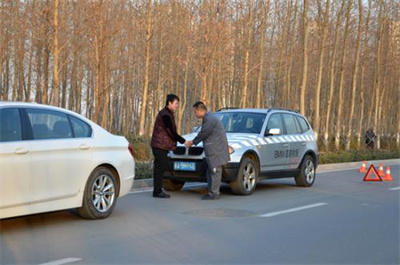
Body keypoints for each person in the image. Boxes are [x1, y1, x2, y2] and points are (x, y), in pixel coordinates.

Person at [185, 102, 230, 200]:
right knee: (210, 171)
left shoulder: (209, 119)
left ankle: (214, 194)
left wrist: (192, 142)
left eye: (195, 112)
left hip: (216, 150)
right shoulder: (208, 117)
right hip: (213, 149)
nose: (195, 114)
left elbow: (203, 133)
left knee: (215, 171)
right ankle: (211, 192)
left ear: (200, 110)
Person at [150, 94, 187, 198]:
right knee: (160, 168)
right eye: (176, 103)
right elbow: (170, 131)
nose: (177, 106)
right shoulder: (165, 114)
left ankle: (157, 190)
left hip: (161, 145)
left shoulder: (168, 114)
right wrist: (183, 141)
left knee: (160, 167)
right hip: (159, 145)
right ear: (169, 103)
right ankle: (157, 191)